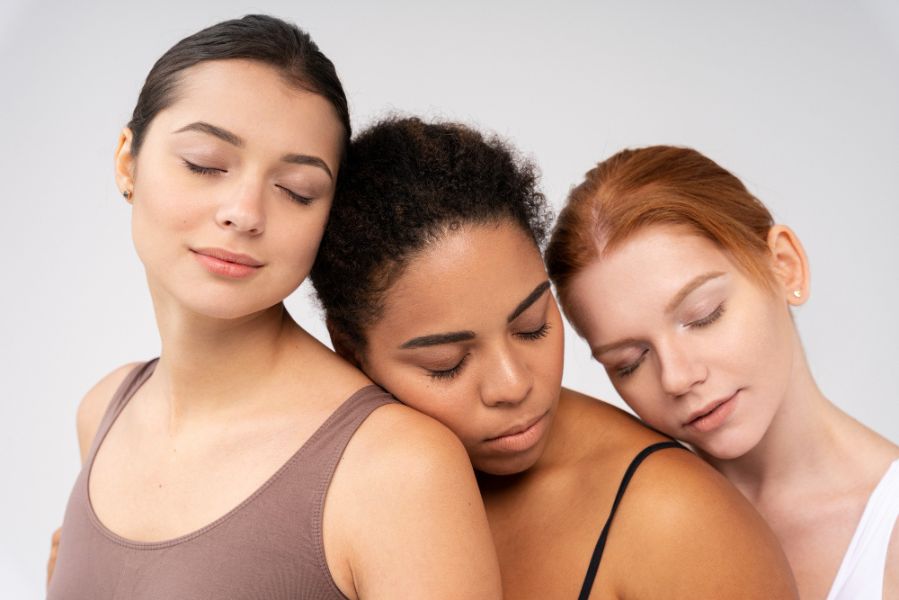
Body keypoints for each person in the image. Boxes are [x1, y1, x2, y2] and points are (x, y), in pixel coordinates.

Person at [47, 16, 501, 600]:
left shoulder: (396, 466)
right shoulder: (103, 410)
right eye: (206, 163)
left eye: (296, 190)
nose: (245, 212)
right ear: (127, 161)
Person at [311, 117, 799, 598]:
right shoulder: (336, 491)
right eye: (448, 363)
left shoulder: (678, 520)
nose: (513, 385)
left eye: (532, 328)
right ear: (351, 352)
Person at [545, 145, 899, 599]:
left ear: (785, 266)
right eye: (629, 362)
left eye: (704, 316)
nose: (676, 378)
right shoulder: (615, 524)